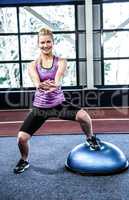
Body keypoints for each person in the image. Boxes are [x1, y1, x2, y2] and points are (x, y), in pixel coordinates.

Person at [14, 28, 100, 174]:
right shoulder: (32, 65)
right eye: (42, 42)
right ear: (38, 44)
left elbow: (59, 77)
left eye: (48, 42)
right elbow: (35, 80)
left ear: (53, 43)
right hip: (40, 107)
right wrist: (39, 85)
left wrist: (56, 84)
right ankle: (24, 160)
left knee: (85, 117)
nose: (45, 45)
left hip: (59, 104)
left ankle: (90, 138)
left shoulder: (61, 61)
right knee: (21, 138)